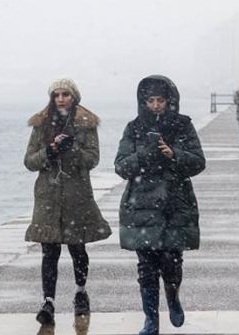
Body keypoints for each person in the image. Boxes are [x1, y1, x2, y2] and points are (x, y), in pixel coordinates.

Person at [114, 75, 206, 335]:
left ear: (169, 101)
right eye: (151, 101)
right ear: (143, 102)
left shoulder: (183, 126)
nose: (156, 105)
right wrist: (146, 154)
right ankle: (151, 320)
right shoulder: (134, 128)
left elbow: (199, 162)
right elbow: (121, 166)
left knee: (172, 263)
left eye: (161, 100)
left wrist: (173, 154)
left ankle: (173, 296)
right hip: (141, 206)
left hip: (175, 204)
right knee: (146, 267)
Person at [24, 78, 111, 328]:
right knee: (49, 251)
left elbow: (92, 159)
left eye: (66, 94)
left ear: (74, 97)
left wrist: (72, 149)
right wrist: (49, 152)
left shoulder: (86, 124)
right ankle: (48, 302)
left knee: (77, 248)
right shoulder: (41, 124)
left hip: (77, 196)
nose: (61, 99)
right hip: (48, 197)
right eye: (56, 95)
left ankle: (81, 293)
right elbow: (29, 162)